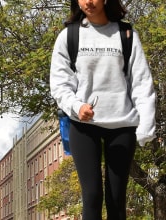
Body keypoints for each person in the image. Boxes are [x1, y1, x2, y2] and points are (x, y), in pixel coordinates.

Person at [50, 0, 156, 219]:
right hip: (83, 126)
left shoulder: (126, 35)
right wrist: (77, 106)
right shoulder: (69, 36)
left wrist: (146, 125)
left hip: (122, 125)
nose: (88, 1)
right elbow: (60, 84)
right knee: (91, 196)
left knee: (116, 198)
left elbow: (141, 82)